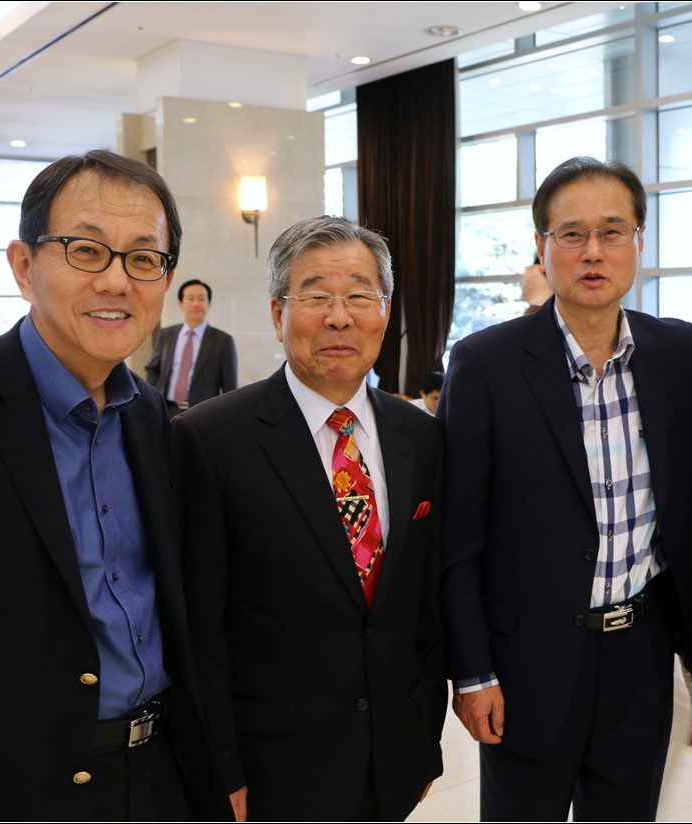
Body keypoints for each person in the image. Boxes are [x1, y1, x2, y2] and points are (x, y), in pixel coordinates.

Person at [0, 149, 231, 821]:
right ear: (24, 266)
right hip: (18, 791)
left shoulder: (152, 417)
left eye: (144, 258)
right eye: (86, 250)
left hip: (162, 774)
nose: (117, 281)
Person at [440, 157, 692, 821]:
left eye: (612, 231)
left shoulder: (677, 352)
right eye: (571, 234)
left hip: (641, 651)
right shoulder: (485, 364)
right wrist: (473, 672)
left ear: (639, 241)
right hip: (526, 659)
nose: (593, 251)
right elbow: (457, 535)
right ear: (541, 247)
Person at [174, 216, 446, 822]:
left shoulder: (422, 437)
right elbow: (198, 628)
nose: (339, 317)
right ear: (278, 314)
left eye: (359, 296)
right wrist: (221, 767)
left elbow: (426, 604)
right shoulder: (210, 440)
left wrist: (422, 731)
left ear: (385, 311)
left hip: (394, 755)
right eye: (316, 296)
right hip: (273, 765)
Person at [146, 278, 238, 415]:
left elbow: (229, 386)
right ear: (181, 304)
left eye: (201, 299)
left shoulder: (223, 340)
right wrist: (153, 398)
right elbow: (153, 369)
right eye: (190, 298)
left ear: (209, 304)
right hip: (165, 409)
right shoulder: (166, 335)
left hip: (203, 412)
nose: (196, 304)